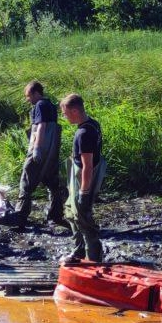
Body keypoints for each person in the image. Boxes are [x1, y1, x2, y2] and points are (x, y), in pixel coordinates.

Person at [60, 93, 105, 263]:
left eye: (65, 113)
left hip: (83, 180)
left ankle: (93, 257)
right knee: (71, 213)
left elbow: (87, 165)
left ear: (75, 111)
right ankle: (78, 251)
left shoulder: (84, 133)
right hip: (78, 177)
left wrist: (84, 193)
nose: (64, 117)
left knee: (83, 218)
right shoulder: (93, 123)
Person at [14, 80, 65, 228]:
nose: (27, 99)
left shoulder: (40, 105)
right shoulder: (50, 105)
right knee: (52, 183)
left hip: (40, 150)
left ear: (36, 93)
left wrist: (36, 148)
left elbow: (41, 126)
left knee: (26, 182)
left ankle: (20, 217)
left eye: (28, 96)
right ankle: (55, 215)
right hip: (51, 152)